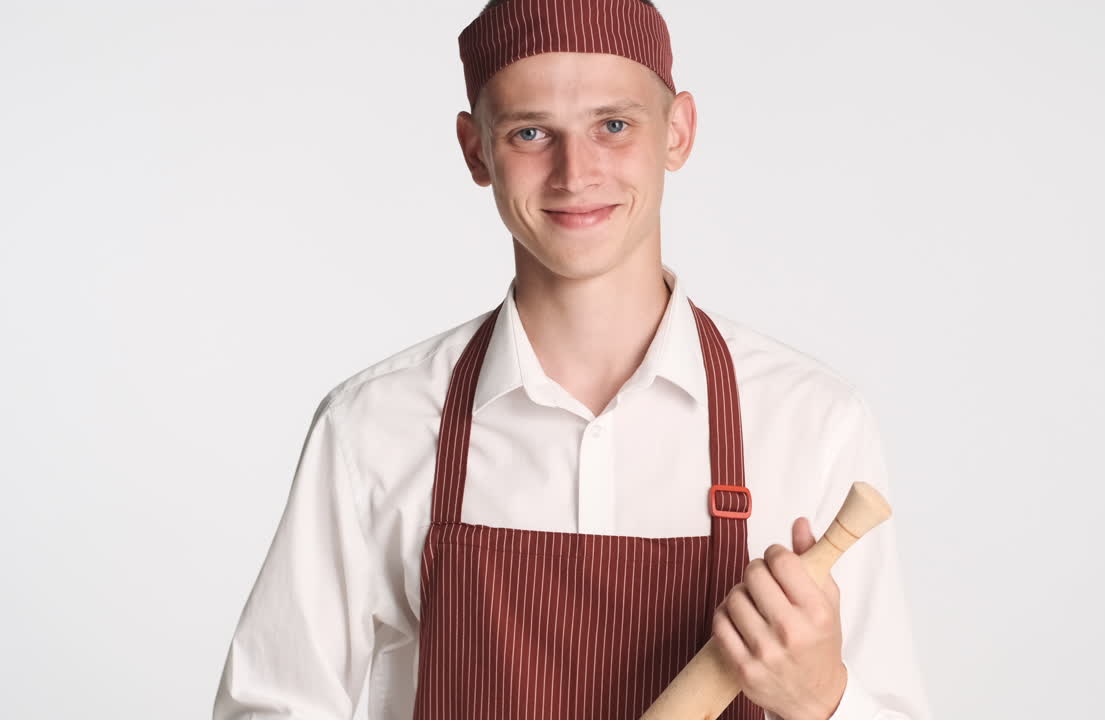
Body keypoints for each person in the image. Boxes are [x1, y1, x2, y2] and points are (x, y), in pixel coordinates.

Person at [212, 1, 932, 718]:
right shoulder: (374, 426)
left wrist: (822, 700)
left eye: (613, 126)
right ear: (476, 152)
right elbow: (273, 704)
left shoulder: (811, 421)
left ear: (677, 132)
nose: (574, 172)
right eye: (530, 133)